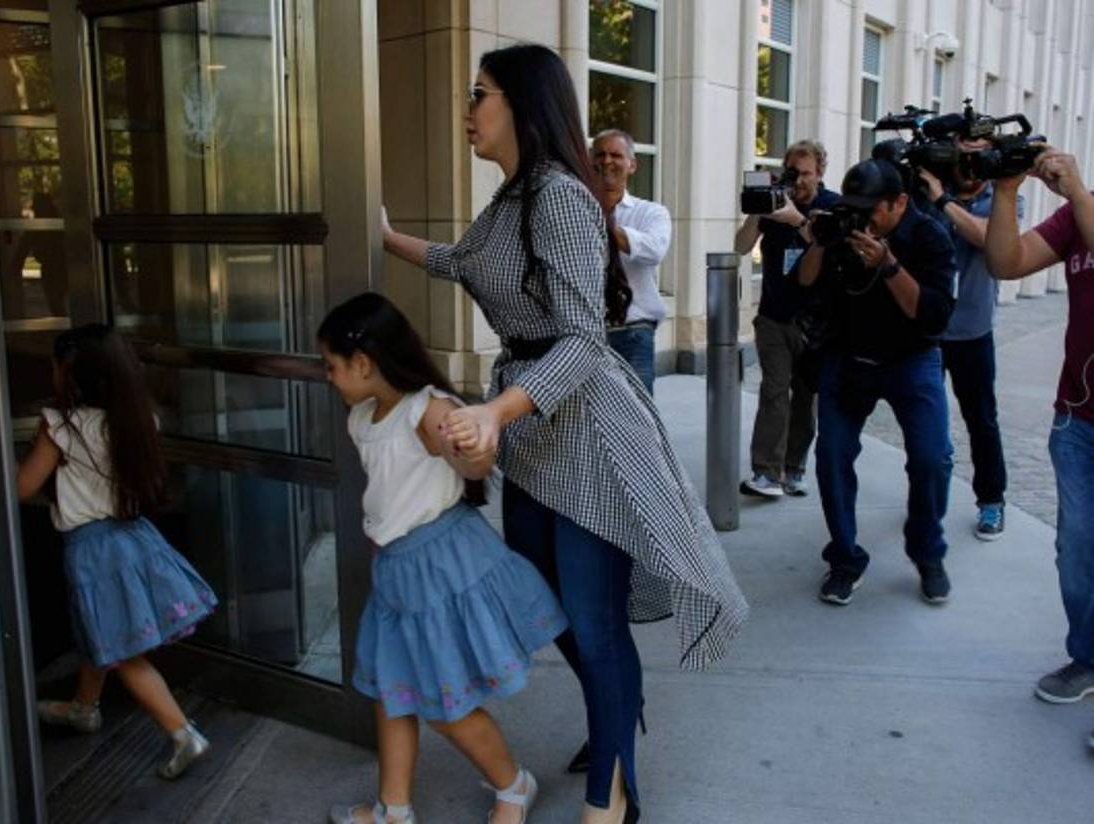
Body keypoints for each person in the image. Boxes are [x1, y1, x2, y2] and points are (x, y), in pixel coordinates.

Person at [382, 43, 748, 824]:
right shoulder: (511, 199)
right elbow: (460, 261)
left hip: (586, 431)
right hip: (533, 430)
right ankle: (621, 715)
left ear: (519, 102)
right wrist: (385, 239)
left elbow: (584, 339)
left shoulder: (559, 197)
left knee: (592, 618)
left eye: (478, 95)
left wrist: (493, 413)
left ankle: (611, 792)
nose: (467, 111)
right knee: (555, 614)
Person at [319, 293, 568, 824]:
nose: (329, 376)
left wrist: (476, 448)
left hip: (441, 567)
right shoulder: (362, 414)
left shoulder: (429, 410)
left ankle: (513, 784)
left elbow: (474, 466)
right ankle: (394, 809)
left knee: (444, 705)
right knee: (394, 691)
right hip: (398, 571)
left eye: (332, 366)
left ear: (363, 363)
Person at [15, 324, 218, 779]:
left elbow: (22, 487)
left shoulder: (61, 428)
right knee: (102, 630)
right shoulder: (138, 418)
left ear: (71, 374)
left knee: (123, 651)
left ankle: (184, 734)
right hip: (132, 538)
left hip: (94, 551)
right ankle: (83, 707)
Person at [797, 158, 958, 607]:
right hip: (848, 357)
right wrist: (819, 242)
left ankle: (927, 551)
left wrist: (888, 265)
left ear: (900, 202)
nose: (861, 218)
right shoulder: (843, 227)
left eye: (871, 209)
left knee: (931, 459)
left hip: (911, 359)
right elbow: (804, 285)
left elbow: (933, 315)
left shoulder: (928, 236)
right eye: (854, 207)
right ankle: (845, 558)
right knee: (831, 456)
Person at [983, 147, 1094, 749]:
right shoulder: (1078, 217)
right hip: (1079, 418)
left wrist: (1078, 196)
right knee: (1076, 550)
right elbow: (1007, 261)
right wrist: (1005, 192)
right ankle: (1087, 658)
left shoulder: (1084, 209)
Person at [919, 142, 1024, 541]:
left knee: (981, 421)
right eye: (962, 154)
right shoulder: (926, 191)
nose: (970, 164)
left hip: (974, 331)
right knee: (927, 426)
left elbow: (985, 237)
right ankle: (927, 501)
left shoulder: (1003, 195)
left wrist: (942, 200)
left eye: (979, 154)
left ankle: (992, 501)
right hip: (929, 330)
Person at [734, 140, 840, 497]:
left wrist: (797, 219)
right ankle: (766, 471)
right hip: (774, 317)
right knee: (774, 392)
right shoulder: (776, 203)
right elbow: (740, 245)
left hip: (814, 321)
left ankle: (794, 467)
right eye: (794, 173)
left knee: (804, 399)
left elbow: (834, 252)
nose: (800, 181)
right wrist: (759, 208)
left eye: (807, 174)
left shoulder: (831, 206)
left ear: (821, 172)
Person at [591, 128, 671, 394]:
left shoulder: (651, 212)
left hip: (633, 333)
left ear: (632, 165)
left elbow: (654, 250)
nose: (607, 161)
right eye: (600, 154)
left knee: (638, 421)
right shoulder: (574, 211)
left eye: (616, 155)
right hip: (586, 336)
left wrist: (603, 221)